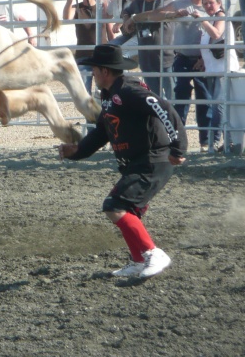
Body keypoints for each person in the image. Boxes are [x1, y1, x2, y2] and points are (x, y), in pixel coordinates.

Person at [58, 44, 186, 279]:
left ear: (104, 71)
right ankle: (138, 261)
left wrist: (178, 147)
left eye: (94, 70)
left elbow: (165, 109)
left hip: (153, 161)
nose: (92, 74)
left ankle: (152, 253)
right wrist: (77, 151)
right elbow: (102, 132)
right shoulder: (110, 96)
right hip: (140, 162)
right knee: (125, 210)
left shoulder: (127, 91)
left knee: (114, 206)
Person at [131, 0, 214, 150]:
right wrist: (137, 17)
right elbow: (156, 14)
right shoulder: (179, 4)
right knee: (180, 102)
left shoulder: (211, 5)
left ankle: (205, 142)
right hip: (182, 57)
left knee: (205, 101)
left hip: (204, 59)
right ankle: (178, 140)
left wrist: (204, 56)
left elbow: (218, 32)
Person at [192, 0, 240, 152]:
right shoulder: (213, 19)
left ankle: (214, 143)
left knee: (218, 106)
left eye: (210, 2)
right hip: (214, 70)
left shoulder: (220, 17)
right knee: (220, 106)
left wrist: (202, 20)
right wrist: (202, 61)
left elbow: (217, 34)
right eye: (205, 3)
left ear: (219, 3)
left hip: (222, 70)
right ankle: (227, 142)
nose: (207, 6)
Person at [120, 0, 175, 99]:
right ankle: (158, 119)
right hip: (146, 59)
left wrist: (134, 18)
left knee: (173, 97)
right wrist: (126, 20)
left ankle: (175, 119)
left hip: (165, 57)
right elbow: (125, 11)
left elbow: (157, 14)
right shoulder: (138, 2)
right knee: (154, 98)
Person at [62, 0, 105, 91]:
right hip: (83, 56)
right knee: (84, 92)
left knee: (102, 91)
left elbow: (110, 28)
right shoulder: (77, 7)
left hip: (101, 55)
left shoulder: (101, 6)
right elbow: (66, 17)